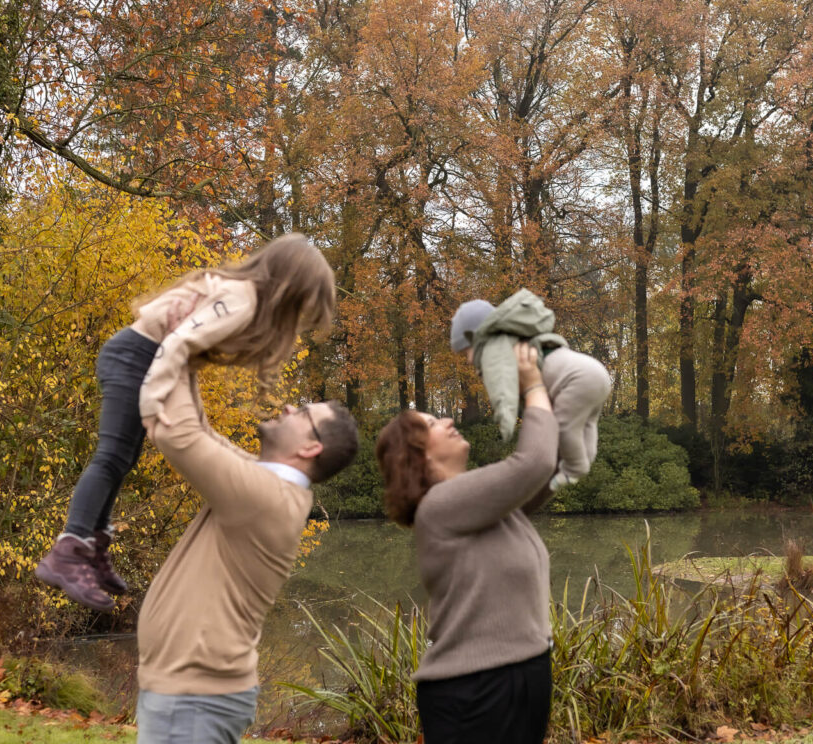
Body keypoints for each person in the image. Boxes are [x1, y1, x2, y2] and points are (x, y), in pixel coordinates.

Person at [36, 233, 336, 612]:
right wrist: (152, 400)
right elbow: (176, 345)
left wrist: (193, 413)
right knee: (110, 458)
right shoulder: (243, 300)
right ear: (291, 285)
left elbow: (186, 357)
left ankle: (93, 544)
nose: (300, 314)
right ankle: (69, 550)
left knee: (121, 461)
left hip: (139, 355)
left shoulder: (236, 291)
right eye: (304, 302)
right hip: (135, 357)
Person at [136, 360, 359, 744]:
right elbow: (200, 430)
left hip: (194, 696)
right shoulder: (267, 486)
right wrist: (191, 357)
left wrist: (185, 341)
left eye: (303, 413)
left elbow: (177, 432)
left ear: (311, 446)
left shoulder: (265, 497)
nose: (290, 407)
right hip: (191, 693)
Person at [375, 343, 557, 744]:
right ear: (415, 454)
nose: (448, 418)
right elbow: (535, 462)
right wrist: (531, 385)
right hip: (474, 689)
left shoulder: (480, 507)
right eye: (431, 422)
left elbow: (549, 468)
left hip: (520, 673)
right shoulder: (440, 506)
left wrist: (564, 396)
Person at [450, 289, 611, 491]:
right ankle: (585, 459)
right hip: (594, 371)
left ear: (476, 338)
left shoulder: (497, 351)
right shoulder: (519, 339)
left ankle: (574, 468)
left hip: (576, 380)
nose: (468, 359)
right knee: (587, 422)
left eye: (466, 351)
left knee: (562, 427)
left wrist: (505, 418)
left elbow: (503, 385)